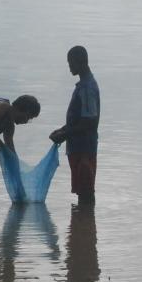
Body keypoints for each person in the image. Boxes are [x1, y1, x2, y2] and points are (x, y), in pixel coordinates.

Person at [50, 45, 100, 207]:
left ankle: (85, 223)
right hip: (79, 148)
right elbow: (80, 119)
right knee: (82, 192)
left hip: (84, 149)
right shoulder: (83, 85)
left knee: (85, 193)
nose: (69, 67)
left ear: (81, 62)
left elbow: (89, 122)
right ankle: (84, 228)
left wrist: (64, 135)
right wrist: (63, 130)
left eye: (71, 63)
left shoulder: (87, 88)